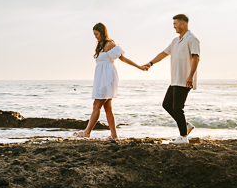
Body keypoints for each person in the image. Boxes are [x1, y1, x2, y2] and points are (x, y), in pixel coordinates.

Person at [76, 22, 148, 140]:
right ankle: (114, 135)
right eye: (94, 35)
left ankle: (87, 132)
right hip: (100, 78)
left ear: (103, 33)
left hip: (108, 78)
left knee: (96, 105)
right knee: (107, 108)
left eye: (97, 34)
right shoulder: (100, 45)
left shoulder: (110, 44)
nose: (96, 37)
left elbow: (123, 59)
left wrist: (139, 67)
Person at [144, 14, 200, 144]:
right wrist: (151, 63)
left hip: (185, 79)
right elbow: (164, 53)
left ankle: (183, 137)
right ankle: (186, 126)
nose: (173, 26)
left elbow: (196, 58)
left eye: (175, 23)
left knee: (177, 108)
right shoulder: (175, 41)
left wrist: (191, 76)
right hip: (175, 79)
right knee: (167, 105)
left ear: (183, 24)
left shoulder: (192, 39)